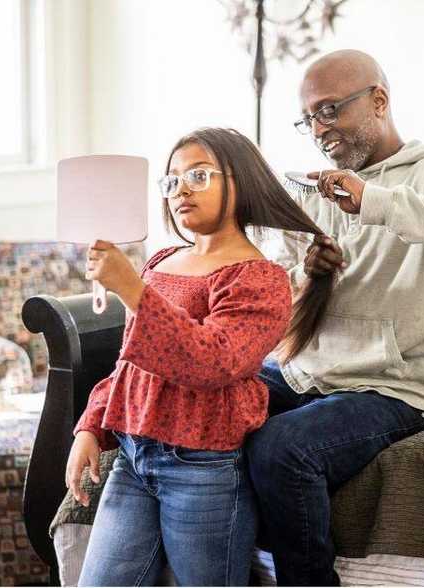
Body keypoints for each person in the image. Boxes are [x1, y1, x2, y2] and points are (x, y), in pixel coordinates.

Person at [246, 49, 424, 585]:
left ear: (379, 101)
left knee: (282, 448)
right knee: (210, 399)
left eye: (329, 111)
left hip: (395, 386)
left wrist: (378, 200)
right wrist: (307, 273)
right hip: (311, 372)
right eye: (309, 119)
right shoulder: (317, 190)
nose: (319, 130)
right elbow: (285, 301)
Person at [67, 127, 331, 586]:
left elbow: (214, 361)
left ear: (241, 182)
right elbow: (130, 363)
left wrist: (131, 289)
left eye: (200, 175)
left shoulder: (261, 280)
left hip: (203, 471)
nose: (181, 190)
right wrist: (92, 425)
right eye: (171, 181)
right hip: (133, 457)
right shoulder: (161, 261)